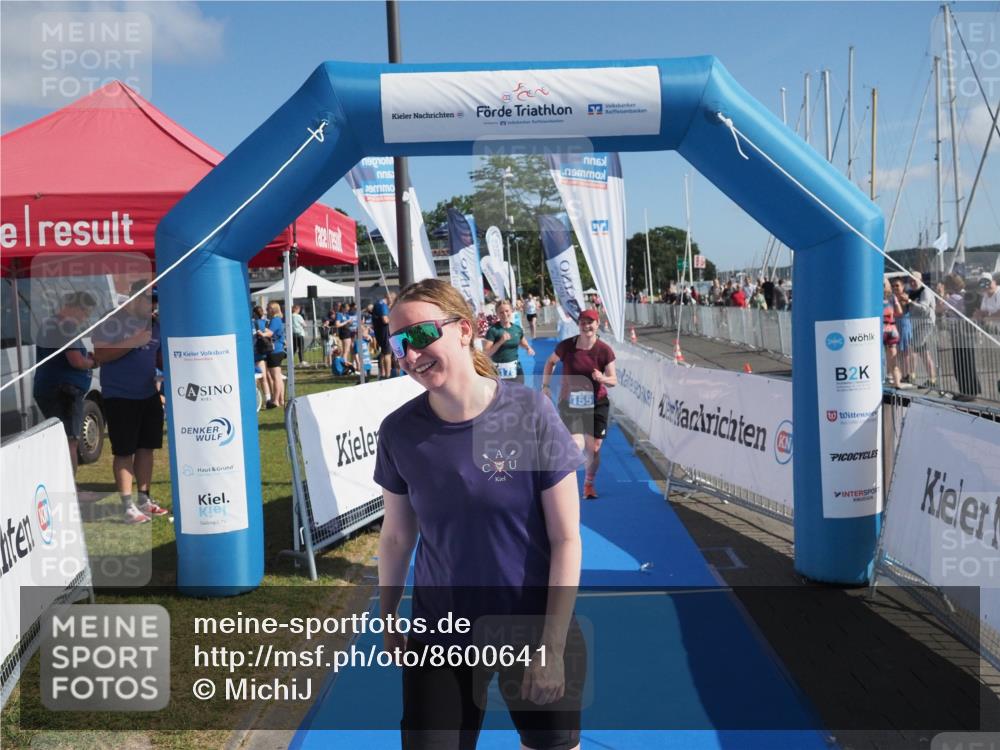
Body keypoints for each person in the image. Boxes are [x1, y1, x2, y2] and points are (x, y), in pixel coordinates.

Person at [374, 278, 586, 750]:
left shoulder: (528, 413)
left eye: (420, 335)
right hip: (439, 630)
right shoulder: (399, 432)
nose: (409, 355)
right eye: (397, 342)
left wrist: (550, 646)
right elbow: (395, 538)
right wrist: (388, 615)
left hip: (529, 624)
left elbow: (566, 539)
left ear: (465, 330)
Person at [93, 281, 168, 524]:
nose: (153, 306)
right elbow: (101, 355)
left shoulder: (155, 325)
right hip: (120, 396)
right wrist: (133, 342)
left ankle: (144, 499)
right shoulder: (112, 320)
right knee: (124, 450)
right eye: (149, 300)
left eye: (155, 301)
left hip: (148, 394)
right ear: (134, 299)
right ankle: (127, 506)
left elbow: (157, 358)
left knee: (147, 447)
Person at [541, 308, 617, 500]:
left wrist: (602, 378)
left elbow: (613, 380)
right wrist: (545, 386)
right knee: (576, 444)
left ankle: (589, 484)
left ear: (597, 324)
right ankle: (565, 483)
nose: (586, 326)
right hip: (572, 403)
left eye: (590, 322)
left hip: (597, 403)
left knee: (594, 448)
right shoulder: (567, 346)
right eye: (583, 322)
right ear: (579, 325)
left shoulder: (604, 350)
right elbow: (550, 363)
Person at [33, 291, 99, 476]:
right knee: (70, 441)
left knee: (62, 439)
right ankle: (70, 489)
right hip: (64, 392)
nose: (85, 318)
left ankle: (65, 485)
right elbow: (76, 360)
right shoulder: (66, 326)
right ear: (75, 307)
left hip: (51, 388)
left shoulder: (49, 324)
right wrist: (93, 362)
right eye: (85, 312)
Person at [483, 300, 535, 384]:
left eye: (507, 311)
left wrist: (528, 348)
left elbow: (522, 342)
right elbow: (487, 353)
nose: (505, 314)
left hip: (515, 368)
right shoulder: (493, 330)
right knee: (502, 396)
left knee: (519, 393)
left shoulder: (517, 329)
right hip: (498, 371)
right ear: (497, 314)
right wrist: (500, 341)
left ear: (511, 311)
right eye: (501, 312)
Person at [260, 302, 286, 408]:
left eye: (268, 308)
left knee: (276, 377)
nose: (266, 309)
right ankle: (281, 400)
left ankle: (275, 400)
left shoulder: (275, 320)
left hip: (274, 351)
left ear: (273, 309)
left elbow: (270, 333)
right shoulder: (277, 320)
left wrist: (261, 332)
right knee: (278, 377)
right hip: (278, 350)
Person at [882, 278, 904, 389]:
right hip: (892, 330)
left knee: (879, 357)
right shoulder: (892, 297)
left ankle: (881, 380)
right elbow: (900, 312)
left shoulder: (874, 296)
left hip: (880, 330)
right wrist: (890, 315)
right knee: (893, 359)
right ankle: (897, 383)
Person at [252, 305, 273, 406]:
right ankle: (268, 399)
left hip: (253, 352)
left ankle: (255, 400)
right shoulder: (266, 323)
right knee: (263, 377)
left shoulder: (252, 323)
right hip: (262, 352)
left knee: (254, 378)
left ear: (254, 313)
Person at [372, 293, 395, 379]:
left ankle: (382, 373)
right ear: (390, 298)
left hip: (379, 331)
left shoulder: (378, 303)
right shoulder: (383, 305)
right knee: (387, 353)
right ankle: (387, 375)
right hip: (384, 331)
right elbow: (385, 320)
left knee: (383, 353)